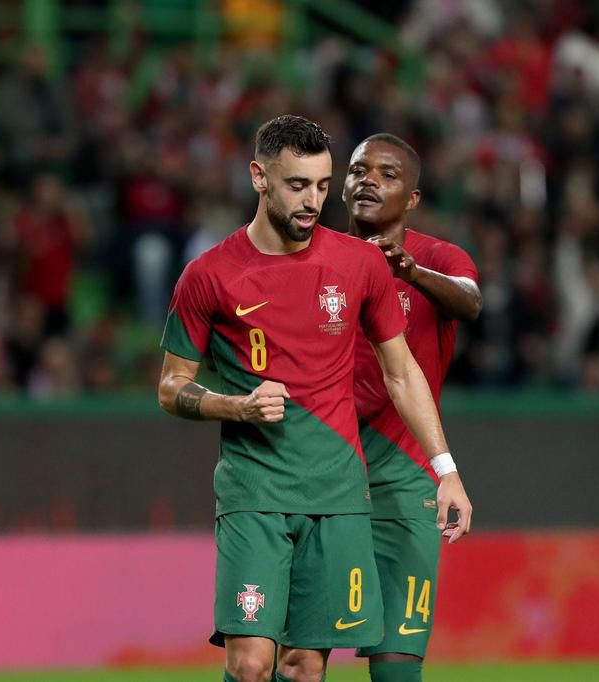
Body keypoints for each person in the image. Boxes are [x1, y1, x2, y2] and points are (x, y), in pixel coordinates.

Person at [156, 115, 472, 682]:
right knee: (251, 662)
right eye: (298, 185)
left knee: (305, 666)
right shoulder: (208, 276)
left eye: (323, 187)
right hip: (254, 489)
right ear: (259, 177)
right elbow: (170, 386)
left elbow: (403, 372)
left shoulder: (359, 265)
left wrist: (446, 469)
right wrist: (235, 406)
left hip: (336, 493)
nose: (313, 201)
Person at [343, 133, 481, 682]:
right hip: (326, 467)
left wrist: (409, 273)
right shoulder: (314, 258)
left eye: (387, 174)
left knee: (397, 658)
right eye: (357, 170)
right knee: (300, 654)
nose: (368, 180)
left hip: (404, 474)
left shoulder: (437, 257)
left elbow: (470, 300)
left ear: (413, 199)